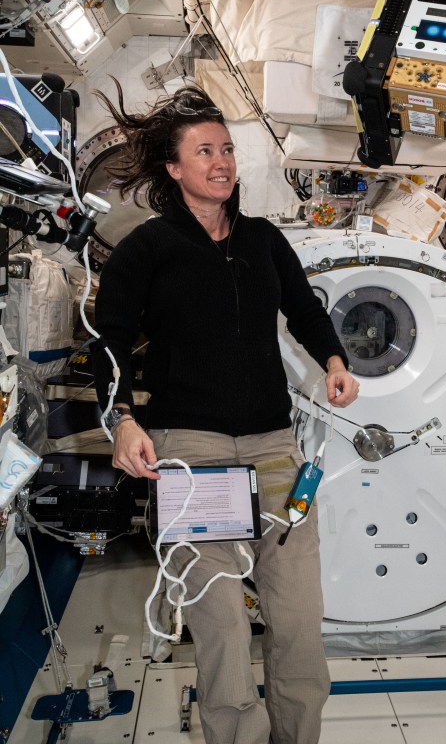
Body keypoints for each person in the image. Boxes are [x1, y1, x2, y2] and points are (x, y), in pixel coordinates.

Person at [91, 81, 359, 744]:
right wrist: (119, 417)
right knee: (221, 626)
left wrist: (332, 360)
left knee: (297, 620)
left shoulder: (263, 239)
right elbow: (111, 341)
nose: (222, 161)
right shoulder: (147, 248)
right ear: (175, 169)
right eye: (204, 150)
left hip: (273, 448)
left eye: (228, 149)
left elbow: (304, 310)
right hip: (192, 451)